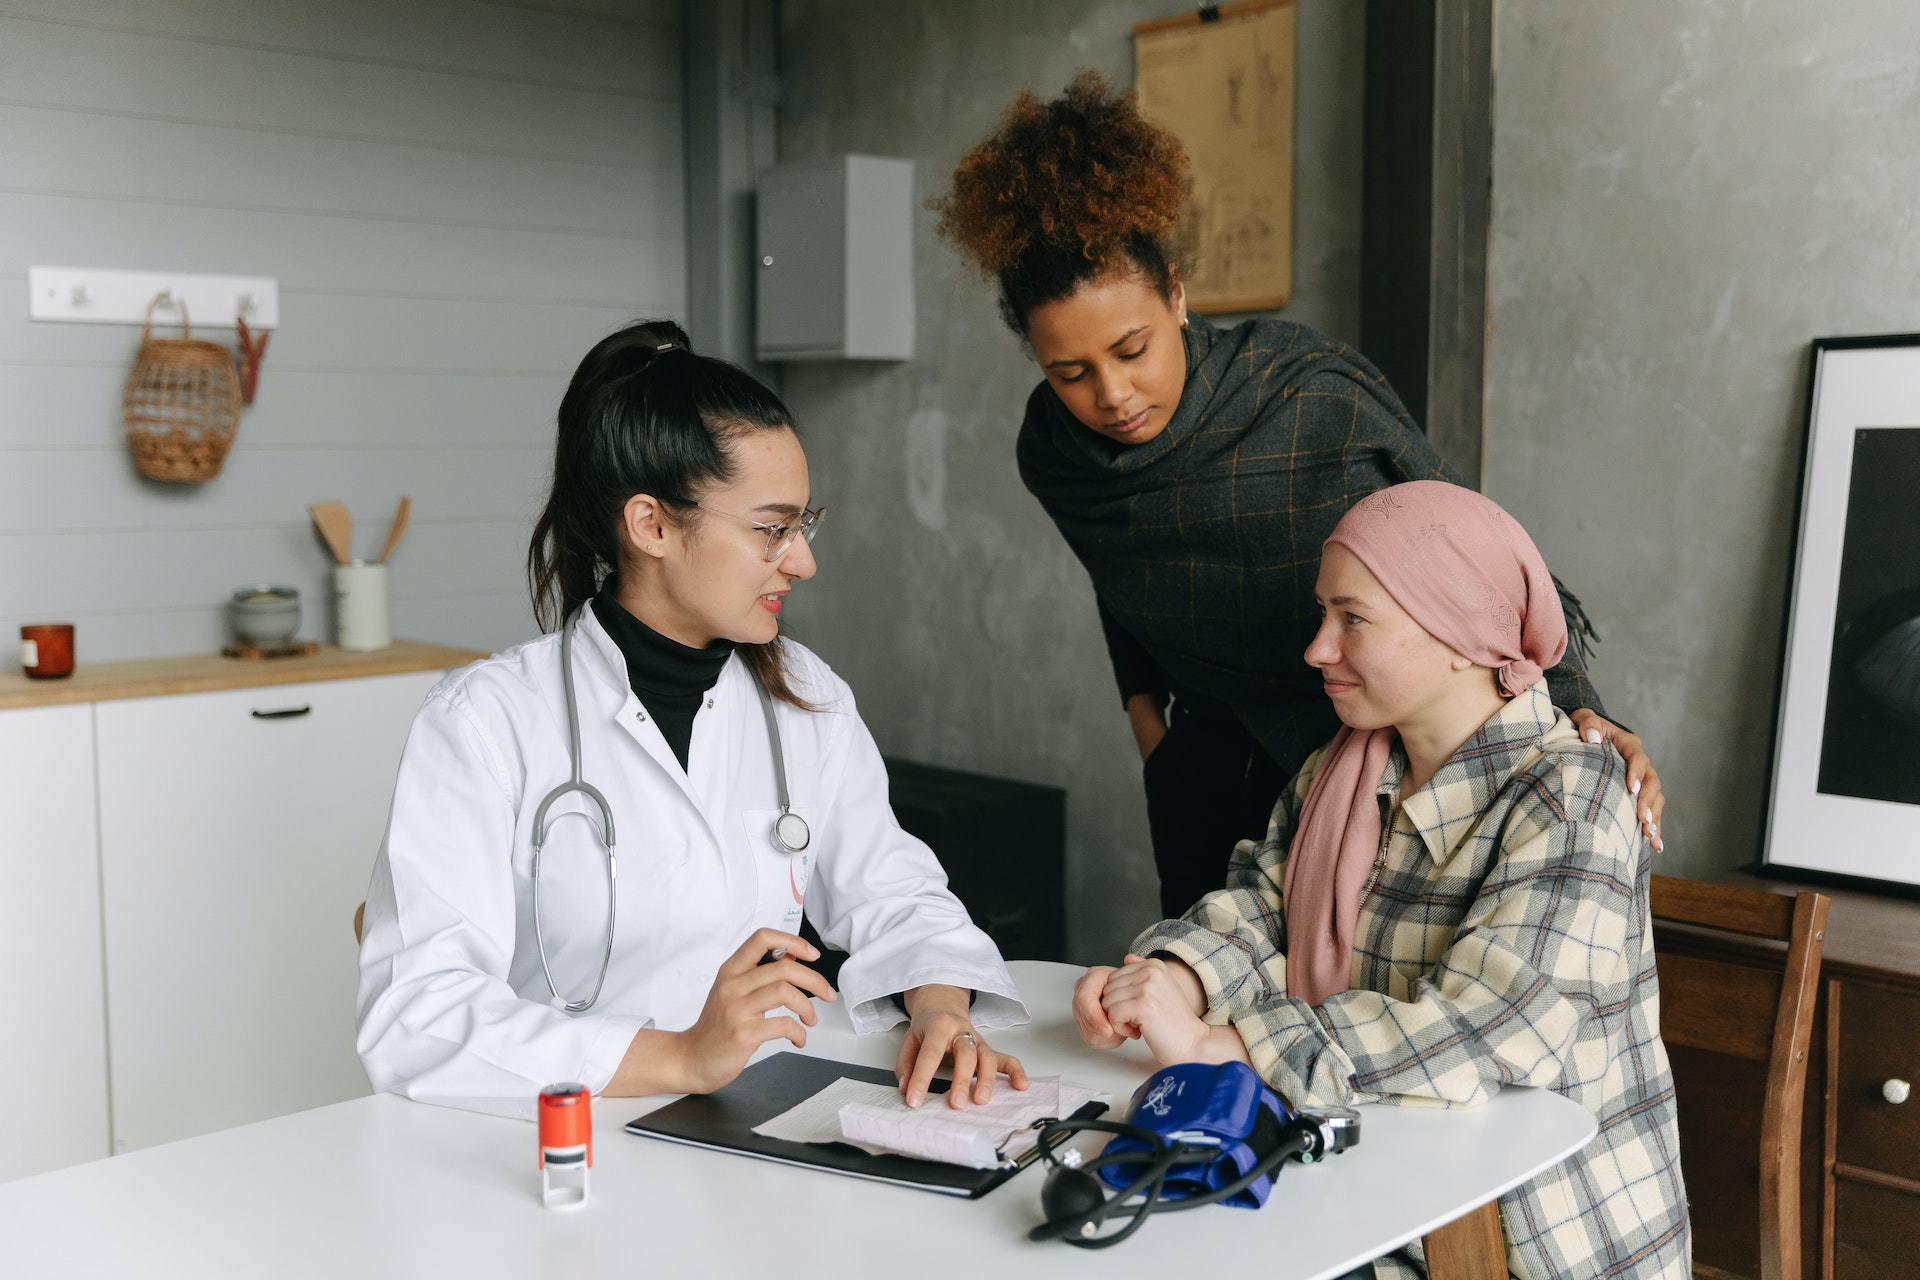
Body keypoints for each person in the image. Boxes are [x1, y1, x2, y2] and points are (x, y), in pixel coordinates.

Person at [935, 73, 1666, 919]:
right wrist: (1149, 724)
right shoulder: (1054, 451)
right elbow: (1124, 585)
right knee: (1203, 987)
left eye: (1132, 348)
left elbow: (1479, 555)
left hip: (1370, 747)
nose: (1113, 394)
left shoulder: (1303, 392)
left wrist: (1582, 710)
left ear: (1176, 294)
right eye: (1070, 371)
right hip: (1204, 764)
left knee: (1352, 1004)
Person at [356, 321, 1028, 1118]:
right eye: (771, 528)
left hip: (757, 1128)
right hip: (564, 1141)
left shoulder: (805, 697)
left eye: (803, 524)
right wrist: (680, 1057)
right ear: (652, 526)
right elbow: (415, 1017)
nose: (802, 560)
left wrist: (942, 1006)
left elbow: (896, 892)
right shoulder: (485, 722)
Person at [1072, 482, 1688, 1280]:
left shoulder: (1573, 795)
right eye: (1323, 613)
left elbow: (1492, 1029)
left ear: (1461, 637)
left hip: (1519, 1237)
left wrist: (1220, 1045)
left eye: (1351, 619)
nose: (1316, 648)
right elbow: (1263, 908)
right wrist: (1170, 979)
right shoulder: (1345, 766)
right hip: (1365, 1183)